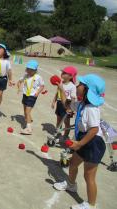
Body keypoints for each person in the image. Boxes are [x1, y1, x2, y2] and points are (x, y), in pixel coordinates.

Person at [54, 74, 106, 209]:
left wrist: (79, 144)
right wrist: (61, 89)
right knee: (73, 164)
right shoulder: (82, 104)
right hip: (85, 140)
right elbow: (67, 104)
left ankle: (91, 205)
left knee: (89, 176)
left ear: (87, 89)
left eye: (80, 85)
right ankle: (71, 185)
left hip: (94, 143)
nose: (77, 86)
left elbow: (94, 129)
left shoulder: (91, 109)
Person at [17, 60, 44, 135]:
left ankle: (29, 129)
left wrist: (38, 92)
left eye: (31, 70)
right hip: (25, 95)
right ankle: (28, 120)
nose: (29, 71)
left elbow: (42, 86)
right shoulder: (25, 76)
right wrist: (19, 87)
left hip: (32, 96)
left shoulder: (38, 77)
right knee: (25, 110)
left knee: (27, 111)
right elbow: (19, 81)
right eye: (28, 69)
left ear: (35, 70)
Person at [51, 66, 77, 138]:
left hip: (67, 105)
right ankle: (57, 132)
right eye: (62, 72)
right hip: (59, 103)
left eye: (65, 73)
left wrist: (72, 108)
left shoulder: (72, 86)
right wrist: (54, 101)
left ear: (70, 76)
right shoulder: (60, 83)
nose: (62, 73)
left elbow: (73, 98)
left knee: (66, 122)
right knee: (58, 119)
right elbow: (57, 93)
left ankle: (65, 136)